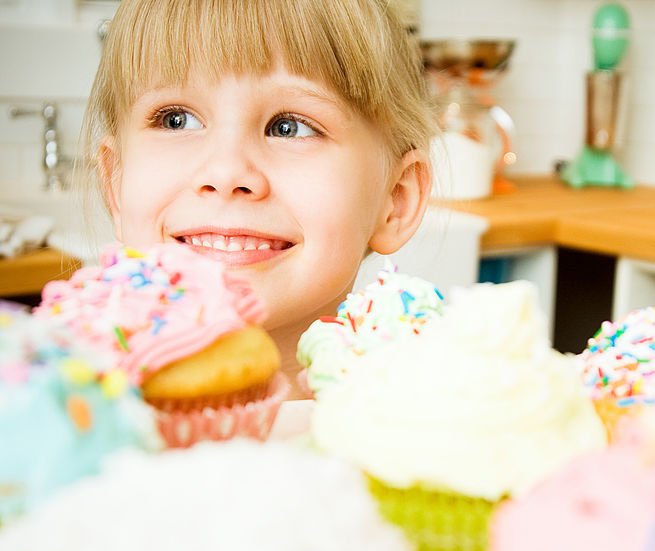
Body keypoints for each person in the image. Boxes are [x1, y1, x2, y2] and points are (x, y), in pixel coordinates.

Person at [82, 0, 435, 388]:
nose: (226, 172)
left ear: (395, 200)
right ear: (115, 183)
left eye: (289, 127)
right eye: (176, 119)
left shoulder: (433, 425)